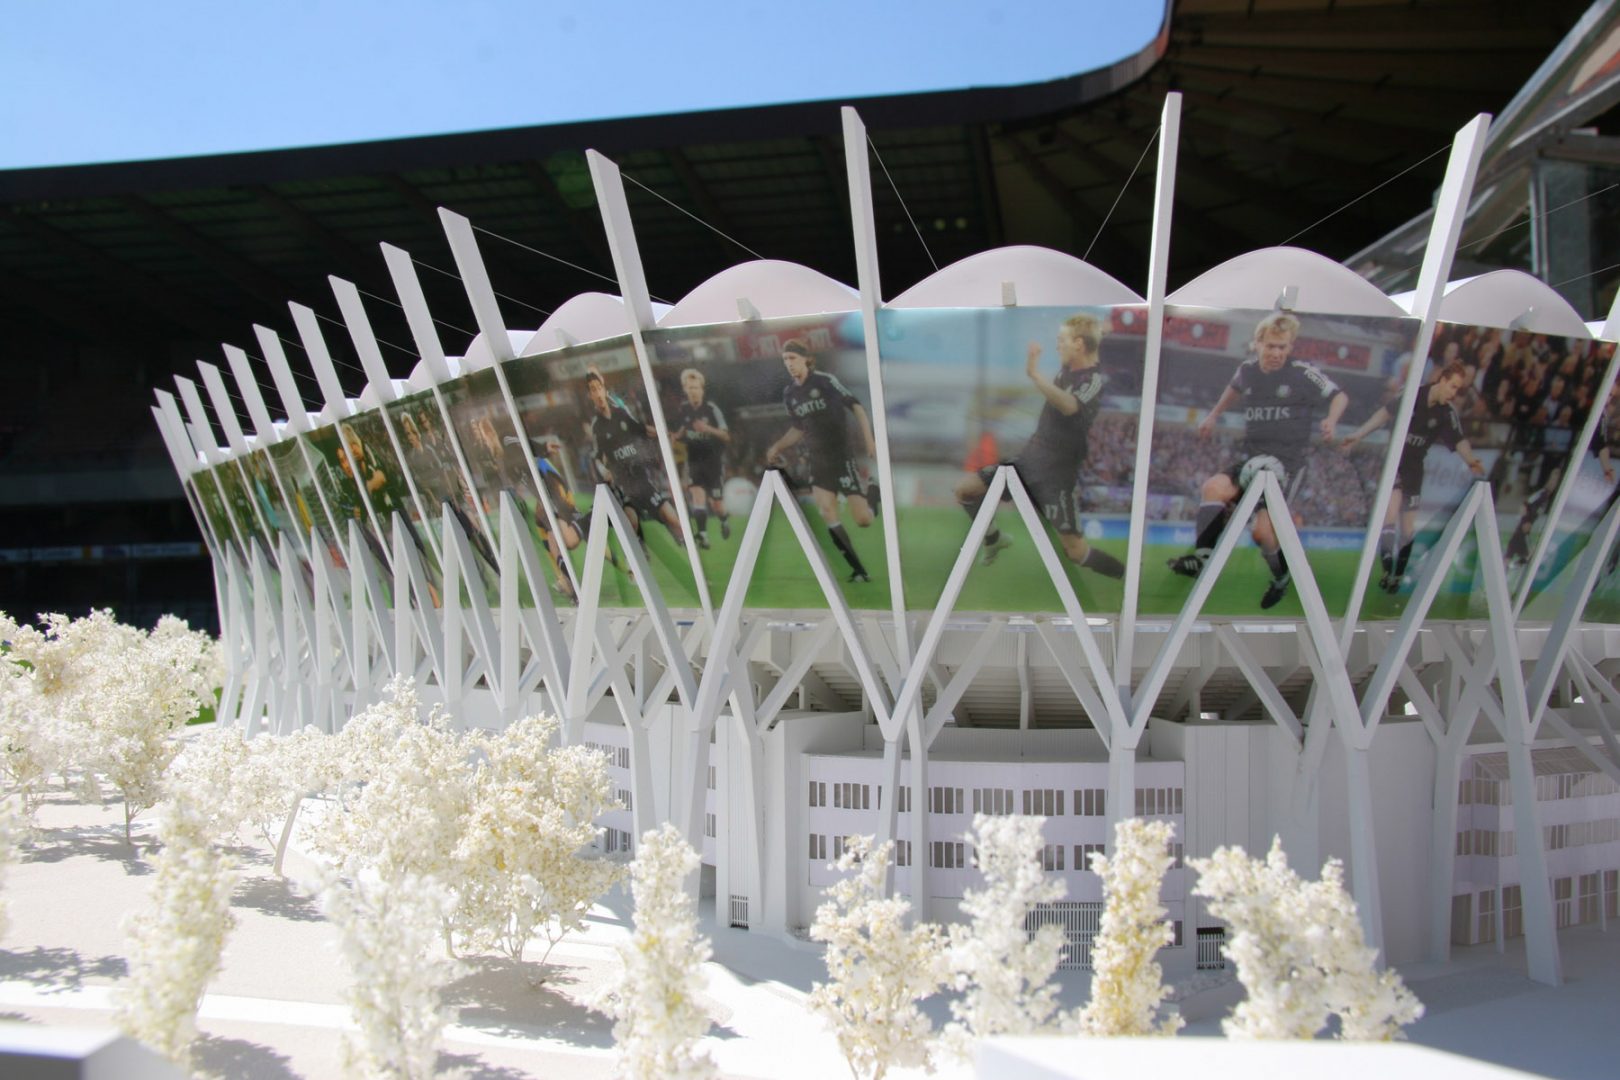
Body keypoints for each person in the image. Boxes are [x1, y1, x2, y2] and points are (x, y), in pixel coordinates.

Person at [1167, 312, 1350, 610]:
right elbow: (1233, 389)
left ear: (1290, 347)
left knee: (1262, 533)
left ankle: (1281, 578)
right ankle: (1201, 559)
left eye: (1282, 347)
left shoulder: (1302, 373)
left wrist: (1331, 419)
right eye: (1271, 346)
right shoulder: (1247, 371)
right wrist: (1214, 415)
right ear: (1258, 344)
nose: (1276, 353)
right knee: (1213, 488)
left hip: (1287, 465)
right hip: (1252, 459)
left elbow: (1340, 396)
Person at [953, 312, 1123, 577]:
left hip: (1055, 475)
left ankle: (1125, 575)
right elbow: (1090, 342)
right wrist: (1102, 330)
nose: (1057, 345)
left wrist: (1035, 375)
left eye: (1062, 340)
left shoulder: (1093, 380)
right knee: (965, 490)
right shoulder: (1069, 370)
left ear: (1079, 344)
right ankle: (994, 539)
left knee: (1076, 552)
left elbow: (1070, 406)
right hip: (1027, 462)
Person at [1339, 360, 1484, 592]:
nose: (1454, 393)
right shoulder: (1413, 395)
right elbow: (1385, 414)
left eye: (1458, 389)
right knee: (1389, 516)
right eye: (1453, 386)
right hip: (1394, 463)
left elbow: (1459, 440)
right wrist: (1358, 434)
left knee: (1407, 529)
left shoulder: (1446, 413)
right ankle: (1387, 569)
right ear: (1442, 380)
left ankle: (1397, 574)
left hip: (1414, 469)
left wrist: (1471, 461)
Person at [764, 338, 876, 583]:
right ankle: (858, 569)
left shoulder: (824, 381)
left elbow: (856, 407)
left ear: (806, 359)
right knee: (826, 510)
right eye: (785, 360)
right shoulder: (790, 394)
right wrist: (777, 446)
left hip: (841, 456)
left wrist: (870, 440)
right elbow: (798, 429)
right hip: (817, 460)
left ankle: (873, 495)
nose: (789, 363)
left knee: (863, 520)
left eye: (793, 358)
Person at [585, 368, 685, 546]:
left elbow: (642, 429)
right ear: (590, 396)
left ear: (604, 390)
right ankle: (638, 555)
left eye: (599, 388)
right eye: (593, 390)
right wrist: (605, 473)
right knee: (631, 523)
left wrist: (663, 433)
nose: (598, 393)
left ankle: (688, 551)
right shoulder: (597, 426)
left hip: (642, 481)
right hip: (624, 486)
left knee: (673, 519)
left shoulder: (621, 413)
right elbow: (596, 457)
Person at [670, 368, 732, 550]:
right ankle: (703, 536)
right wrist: (675, 437)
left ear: (702, 389)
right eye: (690, 388)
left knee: (716, 504)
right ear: (685, 389)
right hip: (694, 462)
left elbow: (726, 436)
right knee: (697, 496)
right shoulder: (684, 409)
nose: (693, 391)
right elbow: (683, 430)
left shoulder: (712, 409)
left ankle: (724, 519)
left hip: (713, 462)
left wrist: (708, 429)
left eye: (696, 387)